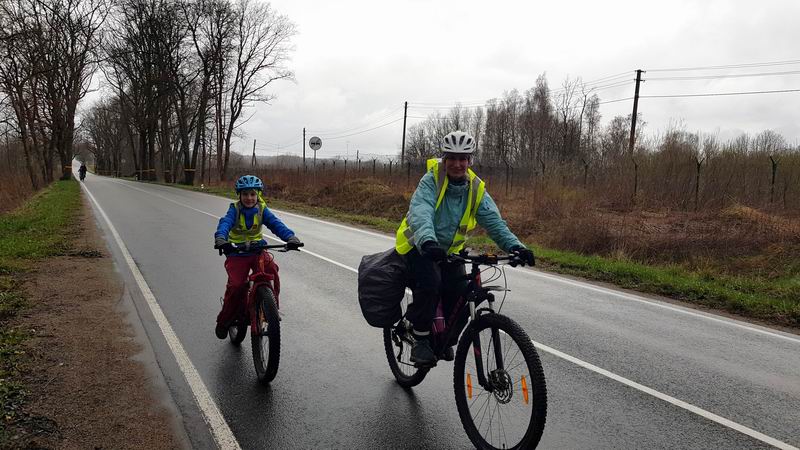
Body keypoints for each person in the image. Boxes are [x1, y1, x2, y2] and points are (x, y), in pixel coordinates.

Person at [395, 131, 536, 366]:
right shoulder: (431, 180)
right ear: (444, 159)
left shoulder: (476, 187)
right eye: (452, 158)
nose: (458, 164)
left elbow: (494, 222)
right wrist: (428, 241)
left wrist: (516, 247)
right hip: (419, 245)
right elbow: (421, 212)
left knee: (463, 292)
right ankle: (420, 339)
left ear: (470, 160)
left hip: (449, 252)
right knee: (430, 285)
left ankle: (444, 338)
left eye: (464, 159)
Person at [213, 175, 302, 339]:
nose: (249, 198)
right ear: (239, 195)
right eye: (245, 194)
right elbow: (225, 223)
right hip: (236, 251)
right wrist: (221, 238)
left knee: (272, 270)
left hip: (257, 249)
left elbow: (275, 224)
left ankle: (271, 308)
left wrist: (290, 237)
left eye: (253, 194)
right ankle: (224, 320)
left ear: (258, 195)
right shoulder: (235, 209)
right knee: (237, 286)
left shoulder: (262, 208)